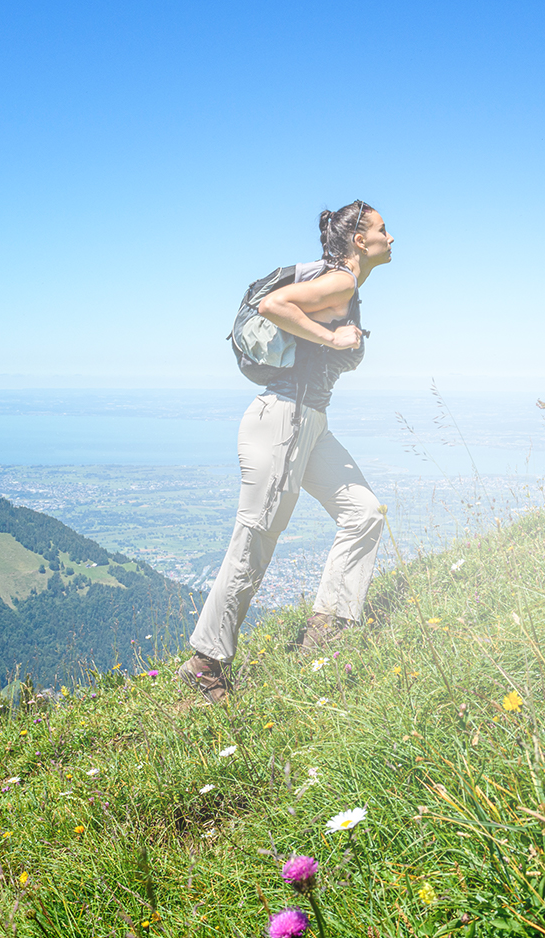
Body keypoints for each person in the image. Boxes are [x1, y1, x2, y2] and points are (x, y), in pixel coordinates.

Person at [177, 201, 394, 703]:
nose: (391, 237)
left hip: (308, 423)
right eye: (384, 229)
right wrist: (332, 337)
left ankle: (327, 629)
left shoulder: (345, 286)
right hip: (283, 420)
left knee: (363, 513)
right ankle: (206, 662)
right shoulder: (341, 281)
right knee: (256, 537)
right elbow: (273, 306)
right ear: (360, 241)